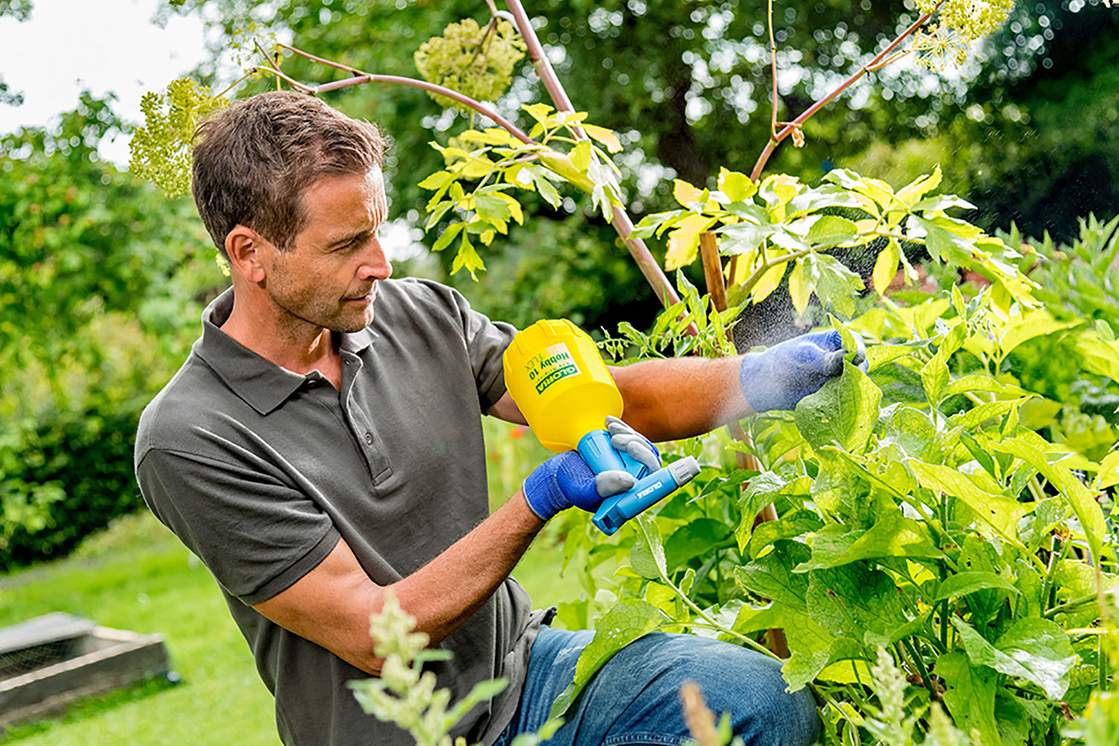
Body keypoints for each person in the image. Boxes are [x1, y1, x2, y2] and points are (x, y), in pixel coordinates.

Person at [135, 91, 852, 745]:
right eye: (347, 244)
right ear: (249, 253)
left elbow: (596, 397)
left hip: (529, 672)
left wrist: (758, 376)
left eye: (377, 231)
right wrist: (536, 500)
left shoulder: (418, 315)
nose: (381, 264)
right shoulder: (192, 437)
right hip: (405, 730)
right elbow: (376, 633)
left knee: (758, 702)